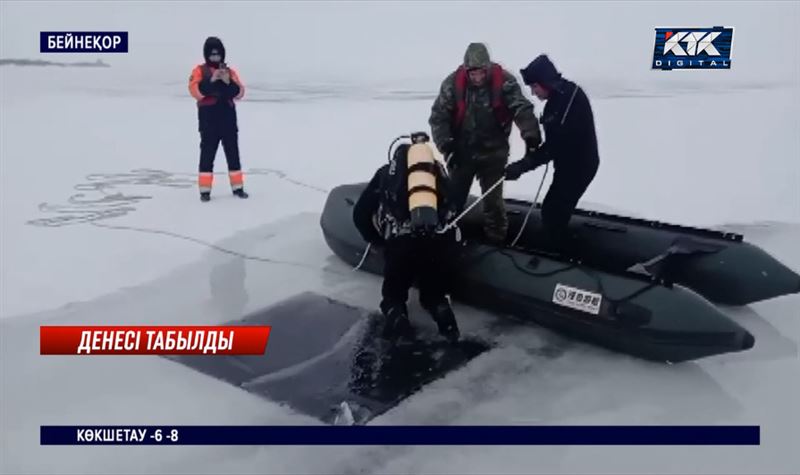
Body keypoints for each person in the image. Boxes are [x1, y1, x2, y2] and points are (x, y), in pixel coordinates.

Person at [352, 132, 461, 343]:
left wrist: (376, 241)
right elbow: (454, 206)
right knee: (434, 296)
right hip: (434, 242)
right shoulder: (436, 171)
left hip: (401, 244)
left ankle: (400, 329)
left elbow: (361, 213)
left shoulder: (386, 174)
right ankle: (447, 325)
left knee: (393, 297)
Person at [429, 42, 542, 244]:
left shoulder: (504, 82)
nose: (478, 77)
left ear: (488, 68)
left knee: (494, 204)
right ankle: (444, 237)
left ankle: (496, 243)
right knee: (452, 200)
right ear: (466, 70)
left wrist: (531, 136)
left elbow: (521, 109)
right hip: (461, 154)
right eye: (473, 73)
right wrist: (446, 146)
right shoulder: (452, 85)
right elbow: (439, 118)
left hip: (494, 155)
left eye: (481, 72)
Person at [505, 54, 599, 253]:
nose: (533, 92)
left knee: (554, 212)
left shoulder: (569, 100)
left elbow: (553, 148)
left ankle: (562, 255)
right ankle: (558, 246)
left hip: (581, 167)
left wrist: (522, 166)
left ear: (544, 82)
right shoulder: (556, 101)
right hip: (566, 166)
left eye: (534, 87)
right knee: (551, 210)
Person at [188, 36, 248, 202]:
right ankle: (205, 191)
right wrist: (212, 80)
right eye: (213, 55)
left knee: (233, 154)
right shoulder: (199, 71)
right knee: (207, 154)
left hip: (228, 120)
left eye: (218, 55)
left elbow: (239, 92)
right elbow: (195, 91)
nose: (216, 58)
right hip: (209, 121)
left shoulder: (230, 72)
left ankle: (238, 188)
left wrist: (228, 82)